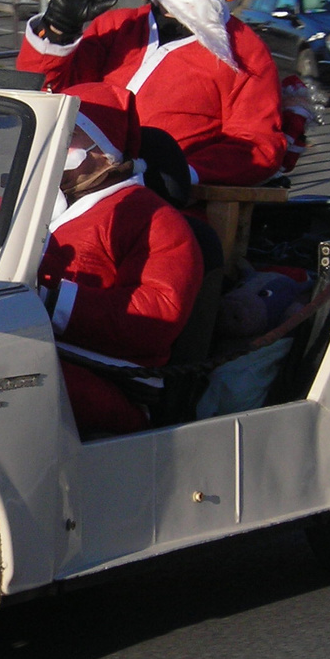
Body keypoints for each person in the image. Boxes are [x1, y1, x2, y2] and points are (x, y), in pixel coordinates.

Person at [18, 0, 285, 186]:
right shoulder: (117, 27)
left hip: (175, 197)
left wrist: (181, 173)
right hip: (81, 180)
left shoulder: (243, 48)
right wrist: (58, 30)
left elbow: (257, 143)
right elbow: (51, 92)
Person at [38, 83, 204, 435]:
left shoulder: (154, 219)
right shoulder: (36, 205)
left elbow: (157, 315)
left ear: (105, 151)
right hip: (44, 355)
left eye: (69, 135)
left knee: (4, 384)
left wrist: (51, 302)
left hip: (111, 379)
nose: (54, 145)